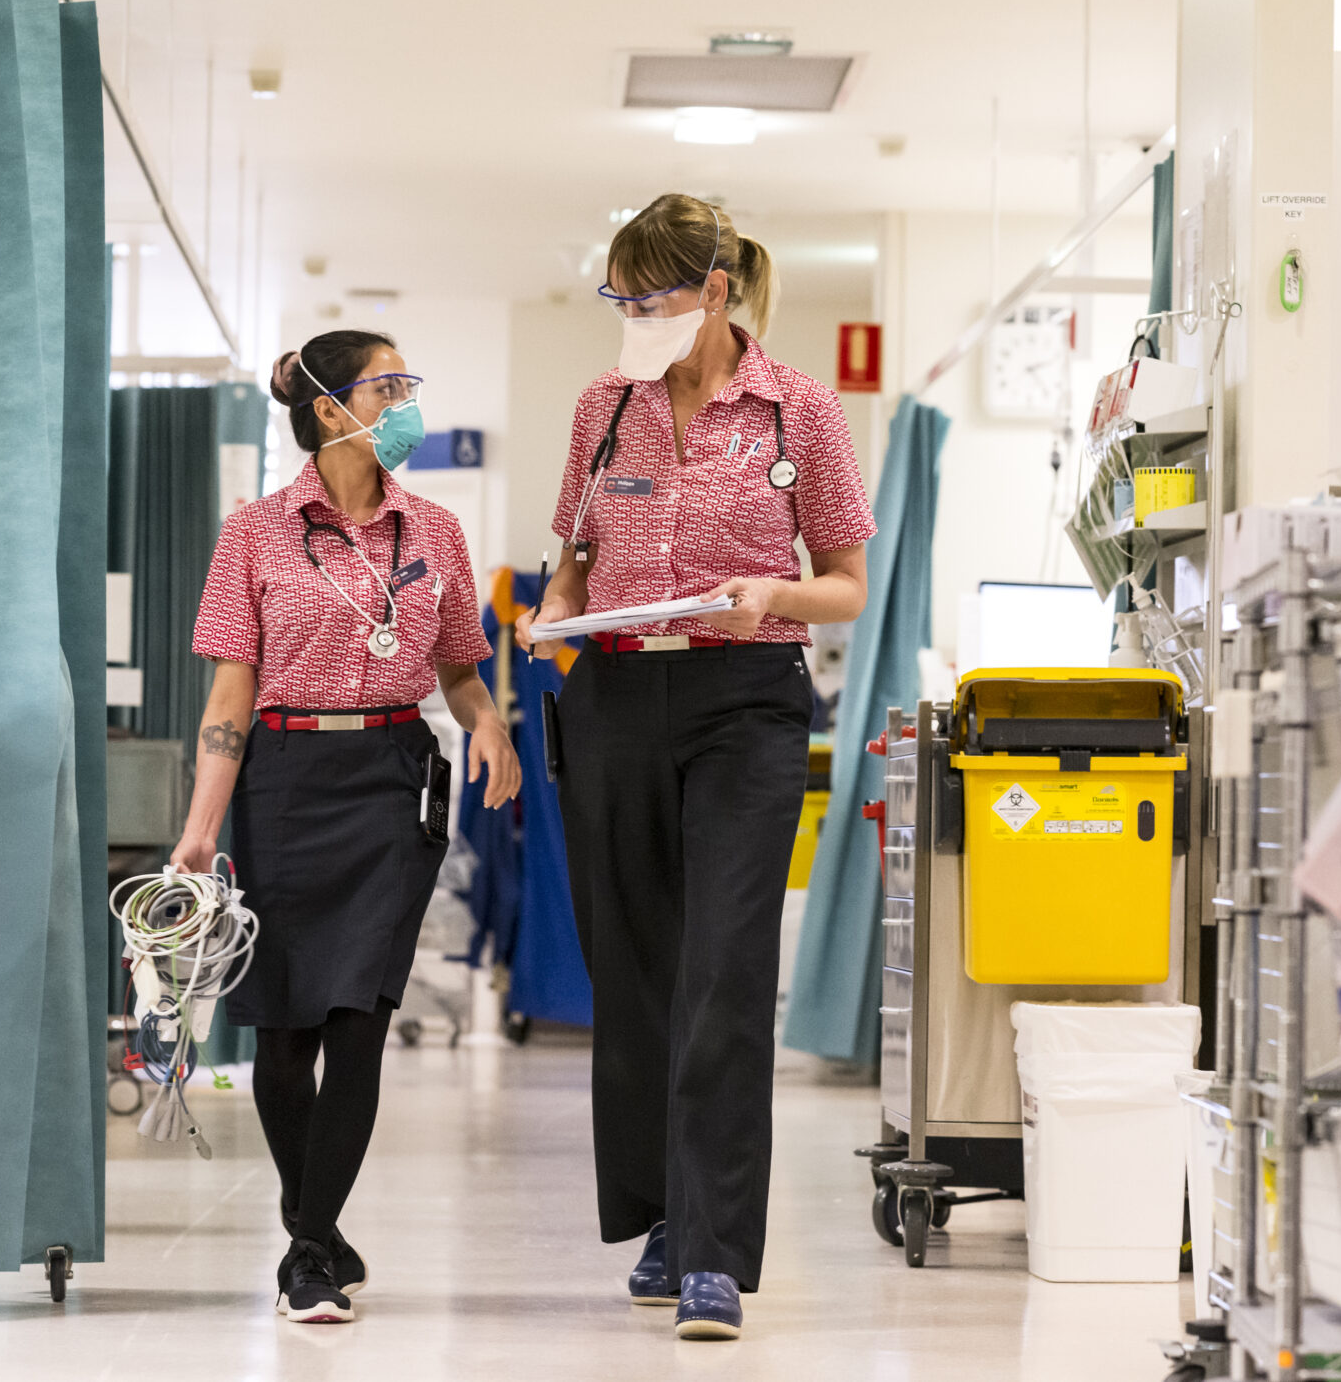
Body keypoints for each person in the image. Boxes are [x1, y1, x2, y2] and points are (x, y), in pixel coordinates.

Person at [531, 195, 874, 1341]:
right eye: (618, 301)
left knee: (723, 967)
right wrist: (553, 614)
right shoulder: (603, 409)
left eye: (652, 298)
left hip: (745, 700)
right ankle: (663, 1218)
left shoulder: (797, 411)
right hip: (617, 691)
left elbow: (845, 584)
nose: (632, 319)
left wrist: (767, 596)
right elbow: (570, 564)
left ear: (715, 290)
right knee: (632, 969)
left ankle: (718, 1252)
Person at [170, 329, 522, 1325]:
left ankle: (308, 1256)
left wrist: (487, 721)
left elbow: (459, 663)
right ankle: (311, 1218)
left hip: (392, 778)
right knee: (284, 1036)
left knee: (358, 1021)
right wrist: (200, 826)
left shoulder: (438, 531)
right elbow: (230, 687)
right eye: (391, 383)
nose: (409, 398)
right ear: (332, 410)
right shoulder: (254, 532)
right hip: (282, 777)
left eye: (411, 378)